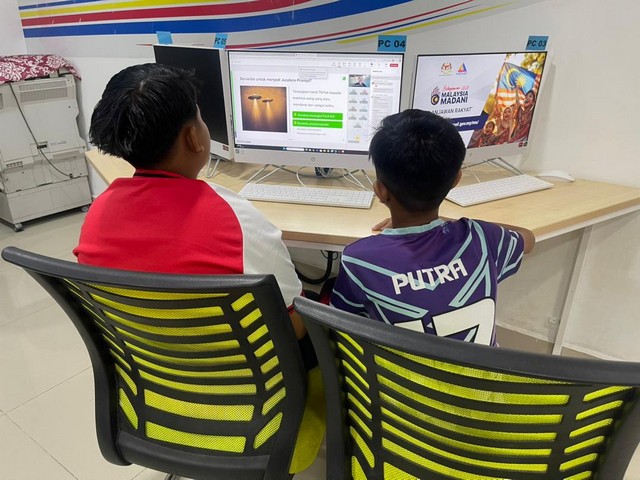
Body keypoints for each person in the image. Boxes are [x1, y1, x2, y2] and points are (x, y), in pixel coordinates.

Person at [74, 63, 315, 366]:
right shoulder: (235, 218)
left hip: (152, 372)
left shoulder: (97, 215)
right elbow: (293, 328)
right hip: (240, 380)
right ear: (193, 137)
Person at [329, 109, 535, 345]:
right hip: (483, 370)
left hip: (401, 371)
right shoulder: (483, 238)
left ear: (380, 191)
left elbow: (338, 326)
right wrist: (454, 222)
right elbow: (527, 238)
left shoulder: (358, 260)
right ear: (456, 179)